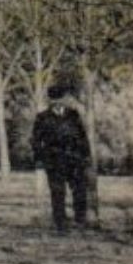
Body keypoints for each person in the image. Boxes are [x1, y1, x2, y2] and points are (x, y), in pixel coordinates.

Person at [32, 81, 93, 233]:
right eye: (54, 99)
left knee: (79, 190)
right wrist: (40, 159)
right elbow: (35, 140)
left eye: (60, 98)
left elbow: (82, 136)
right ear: (50, 100)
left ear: (64, 99)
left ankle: (80, 220)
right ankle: (60, 224)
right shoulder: (43, 117)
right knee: (57, 192)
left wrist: (86, 156)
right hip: (54, 160)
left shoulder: (73, 115)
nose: (58, 102)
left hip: (74, 159)